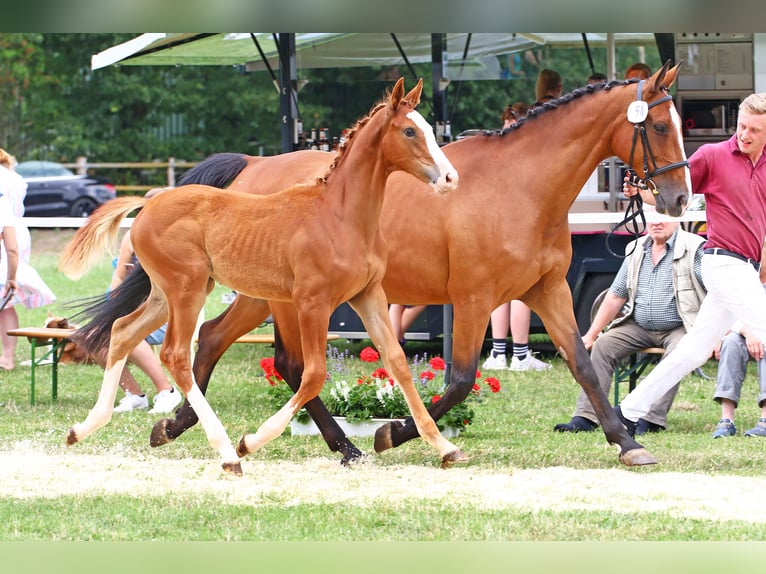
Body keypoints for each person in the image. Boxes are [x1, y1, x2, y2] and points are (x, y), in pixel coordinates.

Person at [615, 92, 766, 437]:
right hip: (722, 264)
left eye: (754, 130)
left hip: (746, 268)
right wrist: (642, 192)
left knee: (691, 353)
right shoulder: (713, 156)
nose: (744, 135)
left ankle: (627, 411)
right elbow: (672, 198)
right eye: (742, 126)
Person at [554, 221, 706, 434]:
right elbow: (616, 295)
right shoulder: (636, 248)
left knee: (679, 352)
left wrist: (715, 335)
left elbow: (714, 291)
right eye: (652, 216)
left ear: (677, 217)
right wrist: (590, 335)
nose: (657, 222)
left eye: (663, 216)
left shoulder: (695, 247)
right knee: (604, 345)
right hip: (639, 325)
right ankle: (586, 416)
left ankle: (651, 419)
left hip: (679, 327)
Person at [482, 101, 551, 372]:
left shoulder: (495, 153)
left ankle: (498, 353)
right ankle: (520, 355)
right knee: (520, 291)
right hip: (520, 228)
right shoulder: (531, 155)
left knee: (500, 291)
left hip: (494, 226)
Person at [104, 189, 181, 414]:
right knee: (94, 338)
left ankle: (166, 391)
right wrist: (112, 303)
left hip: (166, 308)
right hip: (134, 304)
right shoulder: (132, 236)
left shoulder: (178, 237)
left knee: (128, 332)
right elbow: (118, 276)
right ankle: (135, 394)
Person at [0, 148, 56, 370]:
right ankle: (8, 356)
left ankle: (7, 357)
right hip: (17, 229)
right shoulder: (16, 178)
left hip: (6, 230)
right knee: (6, 300)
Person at [710, 251, 766, 438]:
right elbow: (727, 316)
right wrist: (747, 331)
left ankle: (765, 418)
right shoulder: (739, 284)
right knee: (732, 342)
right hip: (745, 336)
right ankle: (727, 420)